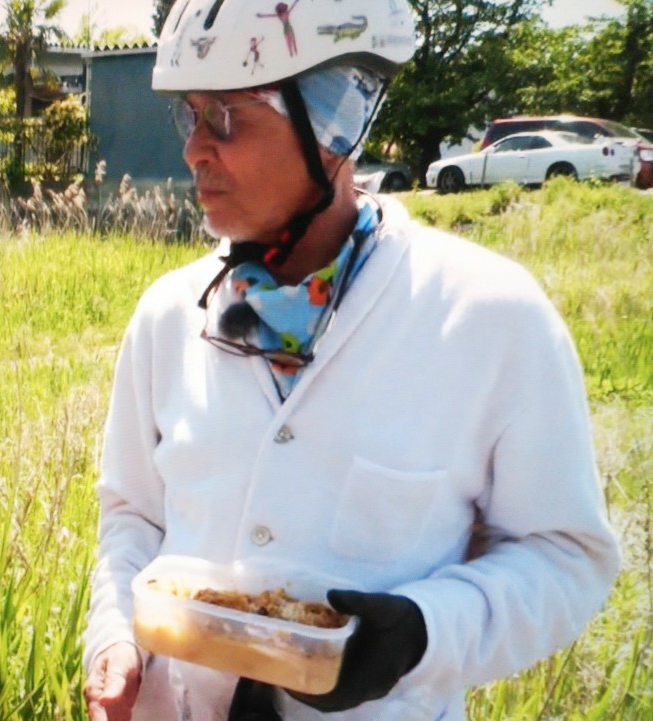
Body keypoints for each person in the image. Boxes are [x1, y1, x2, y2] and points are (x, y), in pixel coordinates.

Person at [82, 1, 622, 720]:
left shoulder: (489, 319)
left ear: (332, 122)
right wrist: (115, 633)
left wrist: (423, 633)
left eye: (228, 118)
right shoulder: (167, 315)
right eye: (190, 115)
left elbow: (565, 555)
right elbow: (133, 516)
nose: (194, 150)